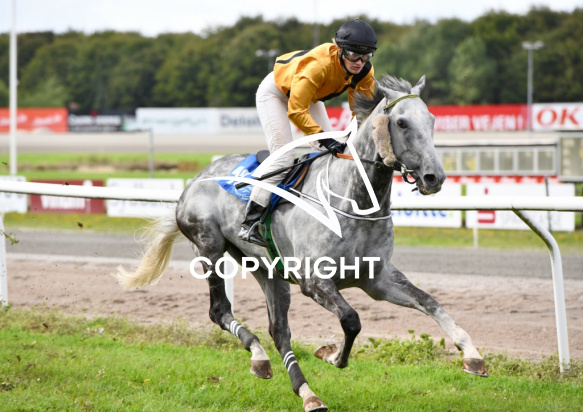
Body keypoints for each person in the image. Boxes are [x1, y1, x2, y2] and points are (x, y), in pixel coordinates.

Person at [238, 18, 377, 247]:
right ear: (340, 50)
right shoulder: (318, 65)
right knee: (284, 155)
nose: (359, 62)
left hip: (309, 96)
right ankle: (250, 222)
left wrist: (351, 138)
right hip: (276, 94)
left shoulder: (364, 72)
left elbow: (361, 114)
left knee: (333, 151)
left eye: (366, 56)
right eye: (354, 55)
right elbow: (296, 111)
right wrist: (326, 138)